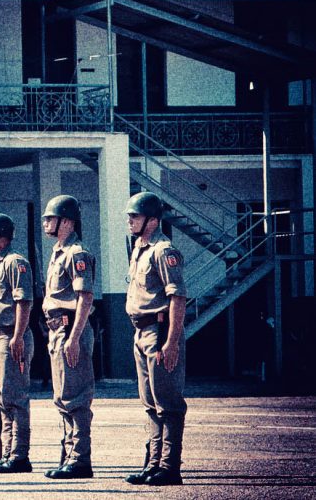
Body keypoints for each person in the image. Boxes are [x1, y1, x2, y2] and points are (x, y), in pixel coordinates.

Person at [124, 192, 188, 487]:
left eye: (134, 216)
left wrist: (171, 342)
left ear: (151, 220)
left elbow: (177, 297)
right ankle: (153, 464)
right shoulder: (140, 249)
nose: (129, 221)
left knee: (168, 402)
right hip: (141, 331)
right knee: (150, 402)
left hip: (159, 331)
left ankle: (169, 466)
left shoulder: (164, 250)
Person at [41, 195, 96, 479]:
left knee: (75, 397)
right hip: (57, 330)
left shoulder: (77, 253)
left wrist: (74, 337)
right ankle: (68, 456)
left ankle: (80, 460)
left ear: (67, 221)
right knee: (62, 397)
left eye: (50, 218)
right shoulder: (58, 252)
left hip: (70, 327)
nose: (45, 222)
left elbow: (84, 296)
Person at [0, 213, 34, 474]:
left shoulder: (15, 262)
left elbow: (24, 302)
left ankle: (19, 455)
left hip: (11, 335)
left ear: (1, 236)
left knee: (15, 398)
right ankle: (7, 452)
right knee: (1, 400)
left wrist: (18, 336)